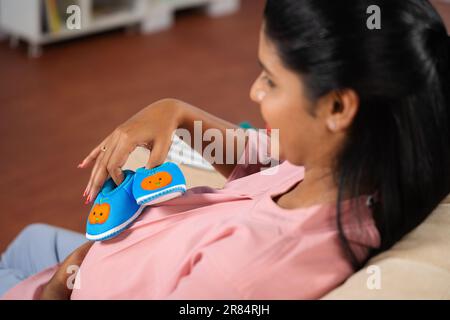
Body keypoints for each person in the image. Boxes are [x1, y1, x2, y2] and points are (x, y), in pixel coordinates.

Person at [1, 0, 449, 299]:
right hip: (116, 255)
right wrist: (176, 113)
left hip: (77, 284)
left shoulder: (249, 274)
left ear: (337, 106)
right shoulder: (349, 165)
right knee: (28, 240)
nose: (254, 92)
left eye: (270, 79)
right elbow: (262, 152)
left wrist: (62, 286)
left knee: (19, 258)